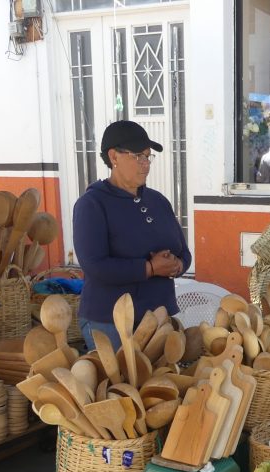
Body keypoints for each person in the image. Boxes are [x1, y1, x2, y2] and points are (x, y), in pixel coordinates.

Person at [72, 120, 191, 351]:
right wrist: (149, 268)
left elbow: (183, 251)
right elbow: (95, 265)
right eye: (138, 156)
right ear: (114, 157)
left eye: (148, 157)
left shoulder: (158, 201)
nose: (145, 164)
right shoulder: (92, 204)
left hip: (160, 317)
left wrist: (178, 265)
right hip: (111, 322)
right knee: (120, 386)